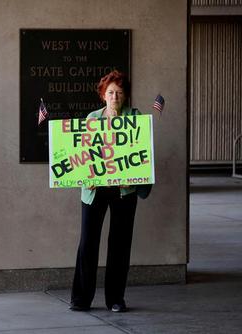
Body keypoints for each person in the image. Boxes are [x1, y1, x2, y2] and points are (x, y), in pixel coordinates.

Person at [70, 70, 141, 313]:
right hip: (95, 189)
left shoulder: (134, 117)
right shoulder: (92, 118)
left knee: (120, 245)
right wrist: (84, 178)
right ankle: (81, 299)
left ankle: (116, 299)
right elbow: (83, 156)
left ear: (125, 96)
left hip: (124, 190)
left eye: (119, 93)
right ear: (103, 95)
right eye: (110, 92)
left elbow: (140, 155)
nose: (115, 97)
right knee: (88, 243)